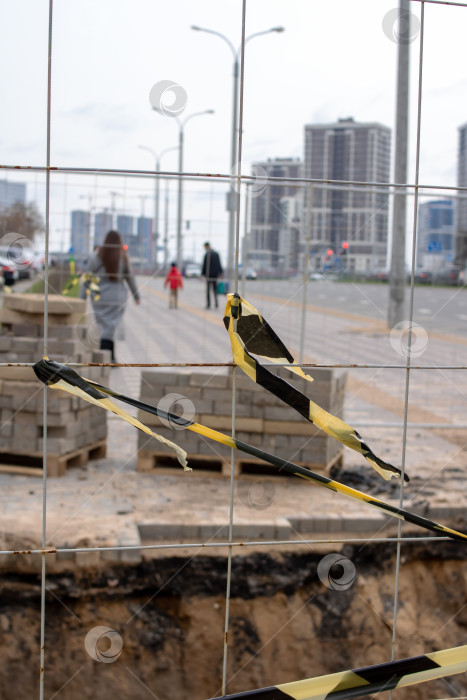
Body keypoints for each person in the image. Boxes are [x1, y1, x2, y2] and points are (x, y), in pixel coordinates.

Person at [81, 230, 140, 362]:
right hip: (118, 298)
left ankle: (105, 356)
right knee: (112, 326)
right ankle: (110, 357)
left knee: (102, 326)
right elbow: (130, 278)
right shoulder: (123, 257)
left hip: (99, 296)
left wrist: (82, 297)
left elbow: (87, 277)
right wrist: (137, 296)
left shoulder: (97, 256)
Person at [201, 241, 223, 309]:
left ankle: (208, 304)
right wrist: (221, 272)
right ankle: (216, 303)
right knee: (215, 289)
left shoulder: (207, 255)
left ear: (206, 246)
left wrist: (202, 274)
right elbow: (219, 263)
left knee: (208, 290)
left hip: (208, 275)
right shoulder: (216, 254)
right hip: (215, 275)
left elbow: (204, 265)